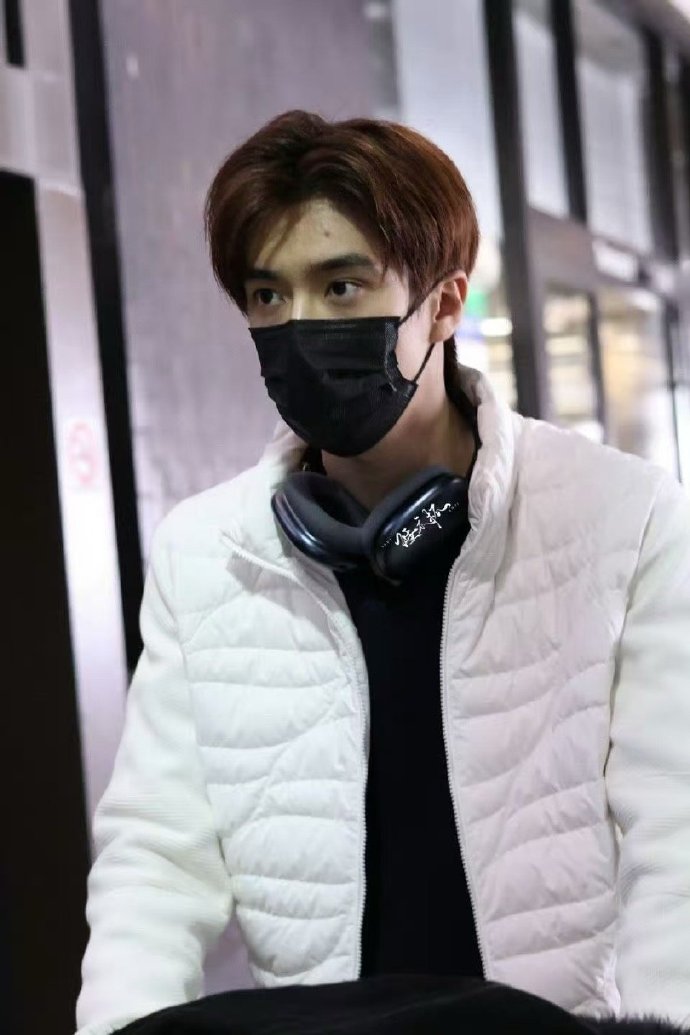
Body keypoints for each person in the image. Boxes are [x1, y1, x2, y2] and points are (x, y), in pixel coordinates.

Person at [75, 111, 690, 1035]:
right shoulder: (205, 551)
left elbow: (676, 836)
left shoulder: (623, 516)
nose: (300, 325)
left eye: (341, 285)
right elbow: (154, 862)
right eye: (268, 294)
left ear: (444, 304)